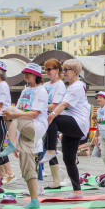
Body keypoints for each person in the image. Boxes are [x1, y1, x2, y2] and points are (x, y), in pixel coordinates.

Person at [2, 63, 49, 209]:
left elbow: (35, 113)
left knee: (9, 109)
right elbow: (17, 117)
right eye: (24, 73)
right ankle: (34, 201)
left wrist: (13, 114)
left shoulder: (41, 91)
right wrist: (15, 135)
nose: (25, 75)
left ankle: (10, 144)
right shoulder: (25, 91)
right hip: (25, 128)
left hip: (36, 126)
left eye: (28, 73)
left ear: (36, 75)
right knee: (27, 166)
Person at [47, 59, 91, 200]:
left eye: (67, 70)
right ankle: (77, 191)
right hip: (73, 124)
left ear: (76, 72)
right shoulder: (71, 86)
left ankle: (50, 150)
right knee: (69, 159)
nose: (64, 72)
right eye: (63, 69)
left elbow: (63, 104)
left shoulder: (77, 86)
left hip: (78, 123)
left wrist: (52, 115)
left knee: (53, 119)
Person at [39, 59, 65, 188]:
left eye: (50, 69)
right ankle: (56, 181)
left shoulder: (59, 85)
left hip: (53, 120)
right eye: (46, 69)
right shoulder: (46, 85)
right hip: (44, 119)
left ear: (57, 70)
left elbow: (55, 105)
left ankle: (56, 180)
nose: (47, 72)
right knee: (49, 150)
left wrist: (39, 108)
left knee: (50, 149)